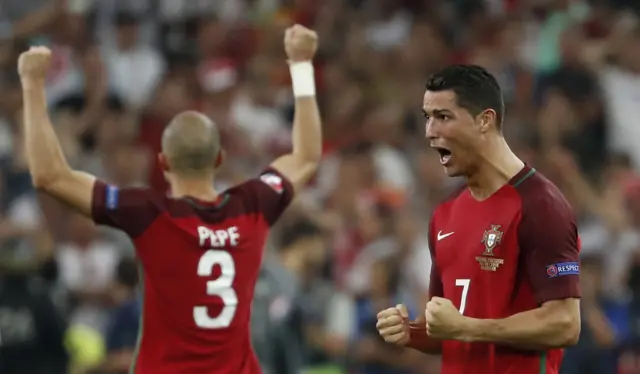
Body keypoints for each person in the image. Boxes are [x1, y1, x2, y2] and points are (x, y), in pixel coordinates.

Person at [17, 24, 321, 374]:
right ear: (219, 159)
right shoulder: (252, 204)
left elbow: (49, 174)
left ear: (162, 162)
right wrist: (301, 64)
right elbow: (306, 157)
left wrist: (33, 84)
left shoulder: (149, 212)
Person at [375, 65, 581, 374]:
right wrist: (411, 332)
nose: (430, 131)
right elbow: (448, 327)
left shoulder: (541, 206)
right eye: (427, 118)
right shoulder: (445, 213)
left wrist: (468, 328)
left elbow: (565, 324)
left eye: (443, 117)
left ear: (485, 120)